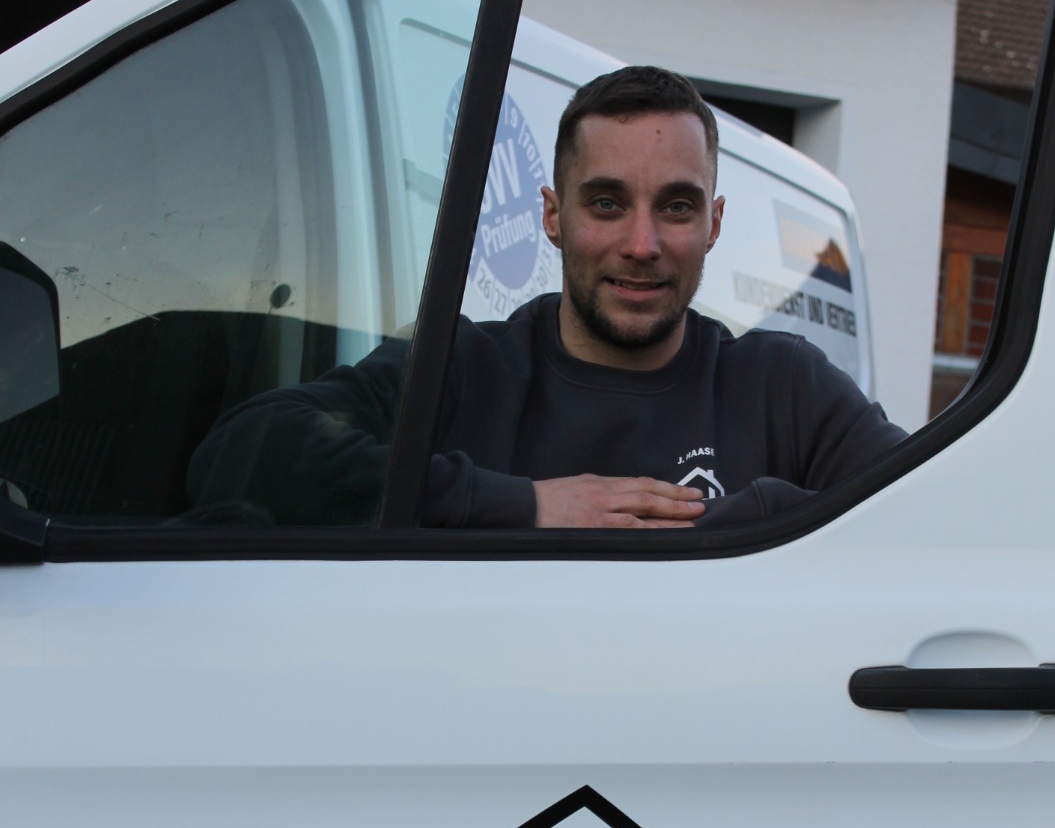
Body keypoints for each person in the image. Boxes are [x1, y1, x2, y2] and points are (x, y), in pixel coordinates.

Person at [188, 66, 905, 528]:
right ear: (553, 216)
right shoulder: (460, 370)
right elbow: (243, 452)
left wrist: (755, 517)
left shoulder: (785, 389)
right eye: (606, 203)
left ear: (713, 224)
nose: (643, 244)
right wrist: (528, 505)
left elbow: (929, 521)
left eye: (677, 207)